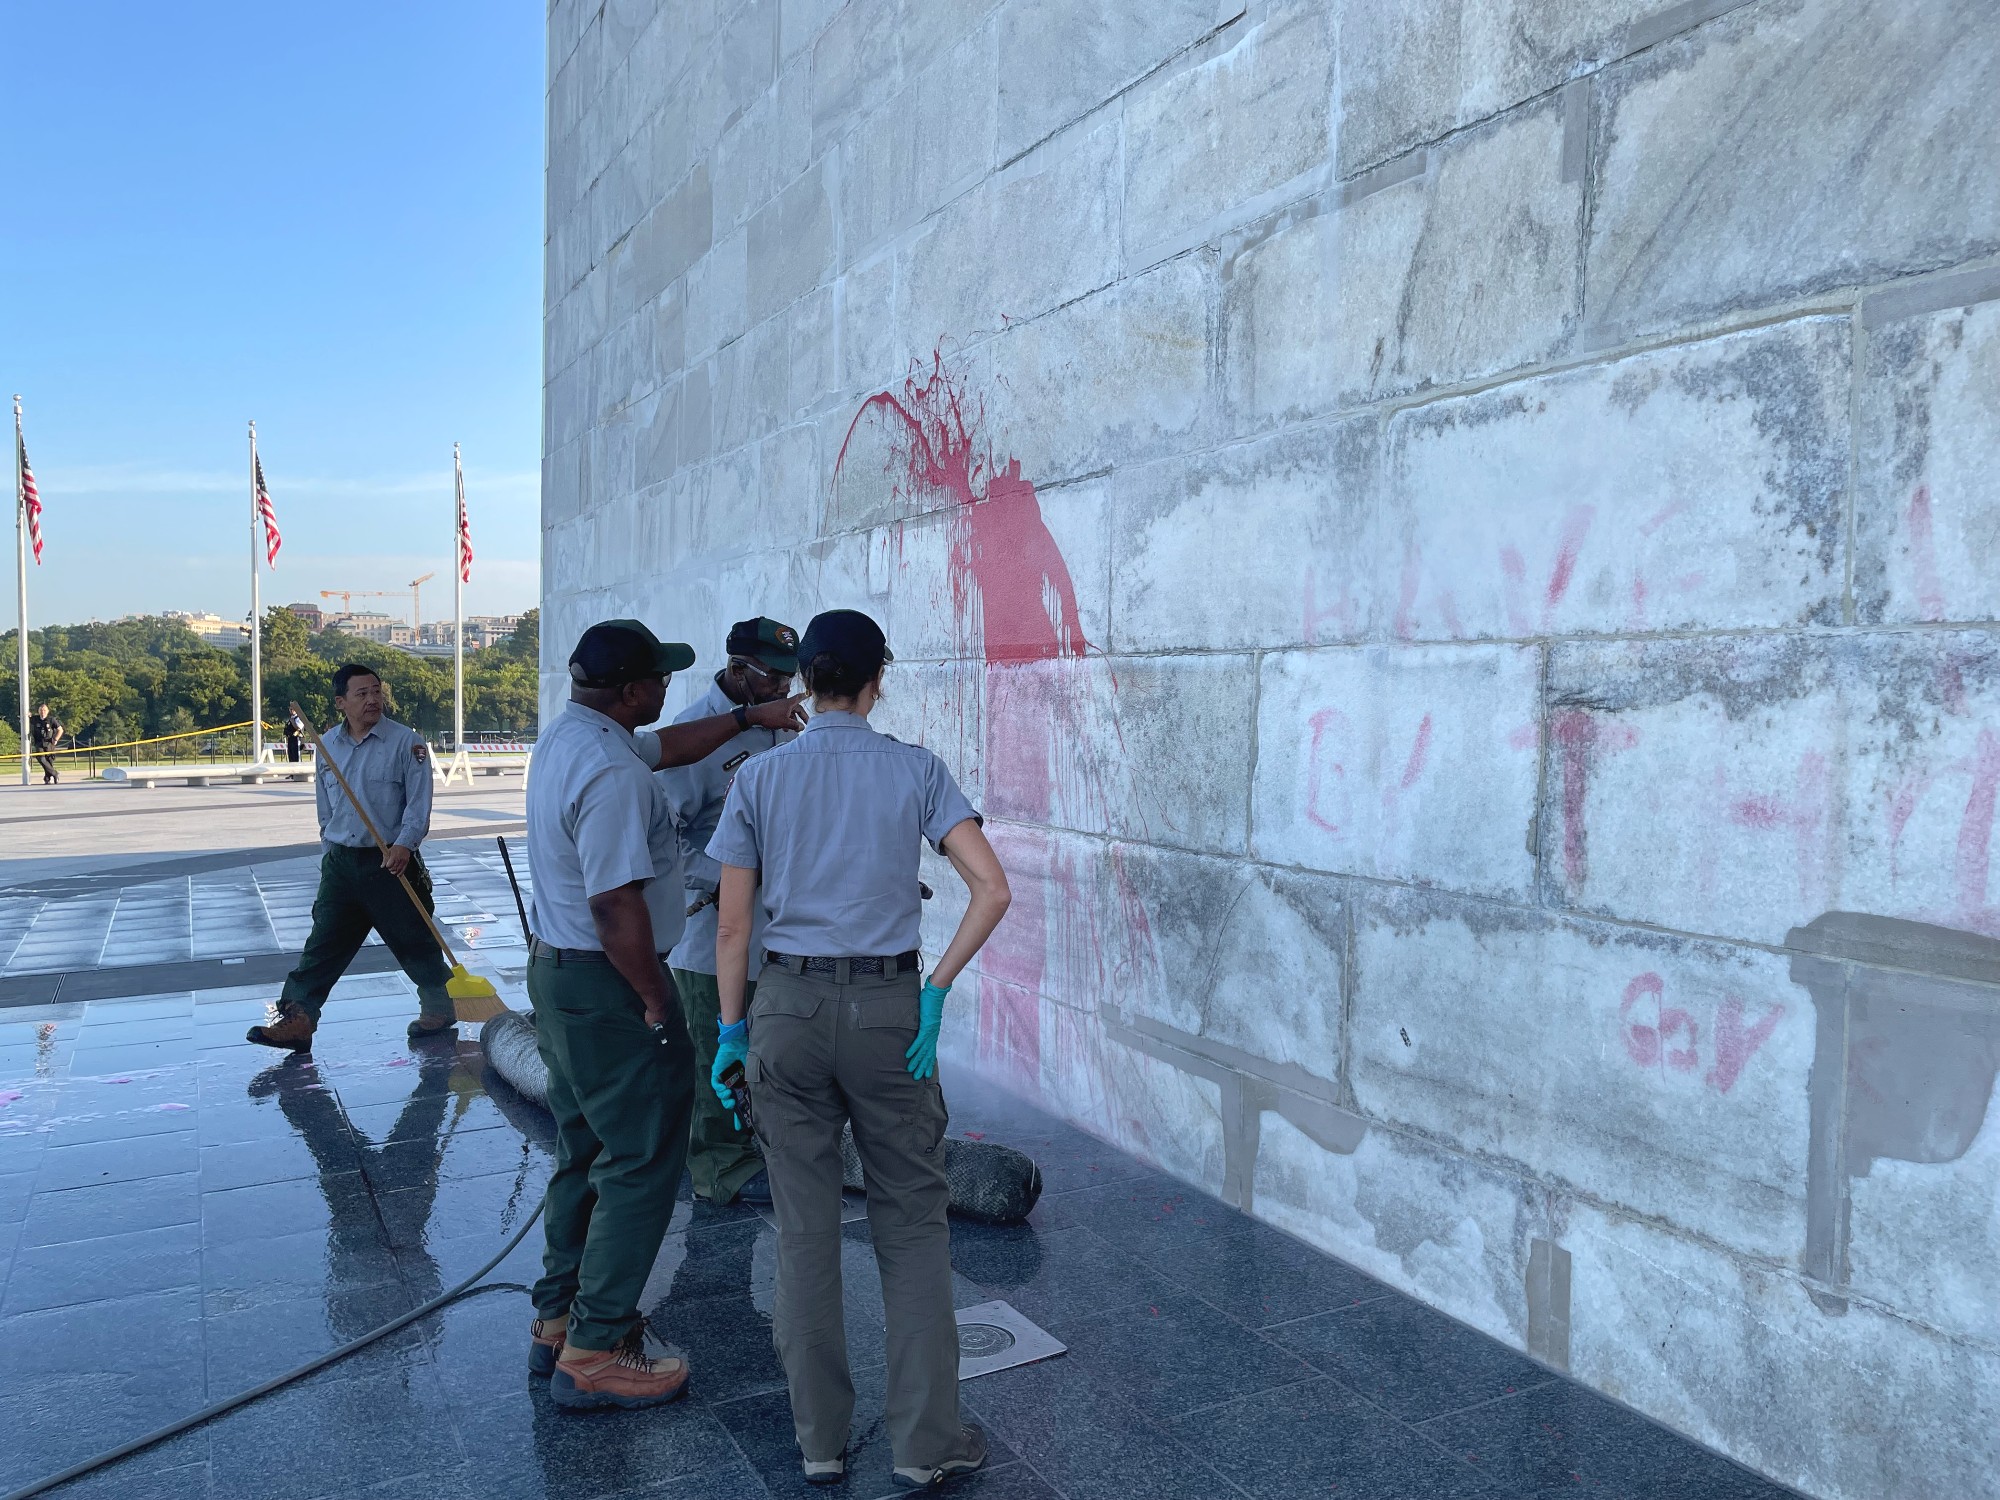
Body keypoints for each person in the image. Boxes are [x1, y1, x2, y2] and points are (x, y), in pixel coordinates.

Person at [708, 608, 1012, 1489]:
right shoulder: (915, 770)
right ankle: (925, 1445)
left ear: (803, 680)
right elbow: (990, 890)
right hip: (889, 1011)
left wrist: (733, 1031)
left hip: (787, 1007)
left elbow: (734, 923)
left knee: (803, 1232)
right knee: (913, 1228)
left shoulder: (761, 779)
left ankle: (819, 1444)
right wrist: (937, 989)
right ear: (878, 677)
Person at [524, 618, 806, 1412]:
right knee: (644, 1160)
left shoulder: (576, 737)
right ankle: (596, 1350)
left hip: (561, 976)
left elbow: (676, 746)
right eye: (657, 679)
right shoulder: (612, 776)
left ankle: (557, 1320)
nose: (666, 689)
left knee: (582, 1146)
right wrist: (654, 1000)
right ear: (630, 690)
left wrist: (750, 720)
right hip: (607, 983)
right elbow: (616, 908)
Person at [659, 615, 802, 1207]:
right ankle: (717, 1165)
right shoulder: (694, 733)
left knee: (766, 1045)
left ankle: (756, 1148)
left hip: (777, 925)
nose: (784, 691)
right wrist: (724, 878)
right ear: (738, 671)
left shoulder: (788, 725)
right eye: (773, 679)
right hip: (710, 924)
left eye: (792, 680)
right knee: (712, 1049)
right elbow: (663, 835)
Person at [247, 664, 456, 1050]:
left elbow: (418, 805)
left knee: (414, 940)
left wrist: (404, 845)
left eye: (377, 691)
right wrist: (331, 852)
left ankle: (439, 1006)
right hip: (342, 865)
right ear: (341, 702)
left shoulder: (406, 743)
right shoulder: (326, 745)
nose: (373, 699)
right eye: (361, 694)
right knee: (322, 943)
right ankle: (298, 1018)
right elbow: (325, 809)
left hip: (390, 862)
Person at [29, 704, 63, 785]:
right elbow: (28, 717)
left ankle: (47, 778)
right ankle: (54, 773)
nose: (42, 712)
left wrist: (56, 739)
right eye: (41, 710)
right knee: (41, 758)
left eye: (44, 710)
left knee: (49, 761)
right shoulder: (35, 719)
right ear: (38, 711)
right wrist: (28, 715)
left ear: (47, 711)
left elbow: (60, 730)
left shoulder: (51, 720)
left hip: (49, 743)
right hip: (39, 743)